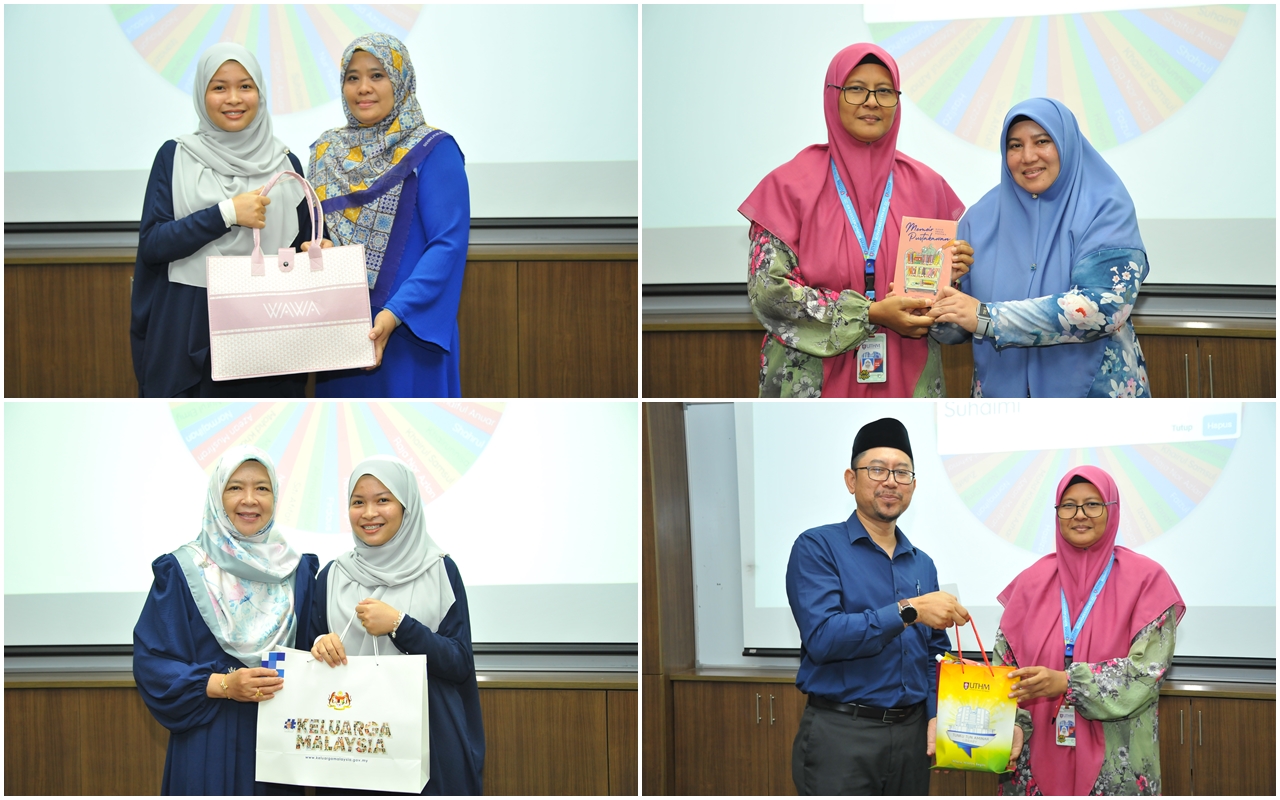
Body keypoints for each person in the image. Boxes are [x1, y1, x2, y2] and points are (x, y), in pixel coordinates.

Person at [739, 43, 973, 398]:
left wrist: (950, 281)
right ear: (832, 96)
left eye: (884, 91)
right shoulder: (788, 187)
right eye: (856, 89)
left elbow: (949, 319)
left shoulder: (928, 187)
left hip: (907, 377)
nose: (871, 102)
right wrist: (870, 313)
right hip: (812, 384)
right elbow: (769, 293)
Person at [785, 418, 970, 795]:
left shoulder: (923, 564)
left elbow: (935, 655)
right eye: (877, 469)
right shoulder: (817, 547)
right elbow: (823, 638)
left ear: (913, 485)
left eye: (902, 472)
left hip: (912, 738)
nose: (891, 481)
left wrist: (936, 715)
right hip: (843, 736)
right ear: (851, 480)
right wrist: (909, 610)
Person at [130, 43, 318, 398]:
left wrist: (314, 250)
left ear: (260, 92)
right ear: (202, 95)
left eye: (245, 86)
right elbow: (153, 244)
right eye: (219, 87)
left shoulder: (286, 164)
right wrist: (226, 214)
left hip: (268, 336)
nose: (233, 98)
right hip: (190, 334)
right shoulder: (175, 156)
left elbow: (301, 246)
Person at [929, 98, 1152, 398]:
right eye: (1015, 145)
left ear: (1065, 143)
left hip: (1093, 402)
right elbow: (957, 329)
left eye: (1042, 141)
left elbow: (1104, 307)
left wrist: (988, 317)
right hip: (1001, 406)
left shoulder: (1106, 207)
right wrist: (933, 298)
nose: (1027, 156)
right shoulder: (979, 219)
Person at [134, 446, 318, 795]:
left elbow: (313, 654)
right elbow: (152, 664)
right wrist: (224, 685)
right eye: (235, 487)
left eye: (262, 488)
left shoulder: (299, 571)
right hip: (208, 738)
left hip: (279, 739)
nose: (250, 499)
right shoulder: (183, 570)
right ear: (217, 496)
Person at [994, 465, 1185, 795]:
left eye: (1093, 504)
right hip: (1032, 758)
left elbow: (1146, 673)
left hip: (1116, 768)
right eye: (1068, 505)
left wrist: (1067, 682)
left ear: (1112, 509)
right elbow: (1003, 673)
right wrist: (1012, 725)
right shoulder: (1030, 583)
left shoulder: (1147, 581)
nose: (1079, 514)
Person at [308, 455, 484, 795]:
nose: (369, 513)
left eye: (383, 500)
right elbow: (308, 652)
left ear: (407, 507)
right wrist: (319, 645)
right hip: (350, 744)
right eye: (358, 502)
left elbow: (459, 663)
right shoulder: (332, 576)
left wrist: (400, 625)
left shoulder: (440, 570)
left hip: (427, 745)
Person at [308, 33, 470, 398]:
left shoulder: (433, 148)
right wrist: (319, 248)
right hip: (342, 331)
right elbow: (321, 233)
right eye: (353, 77)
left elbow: (447, 244)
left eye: (377, 75)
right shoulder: (325, 152)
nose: (363, 88)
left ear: (401, 80)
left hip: (409, 328)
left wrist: (394, 313)